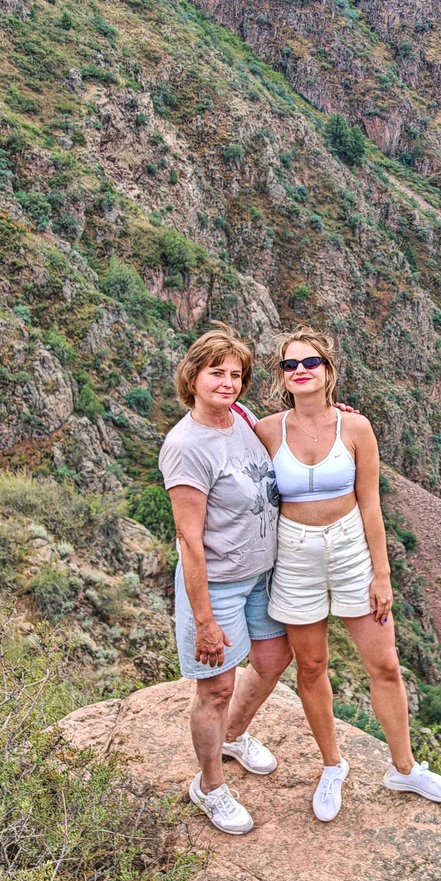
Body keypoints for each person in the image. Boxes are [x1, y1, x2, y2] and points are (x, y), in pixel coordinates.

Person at [254, 327, 441, 821]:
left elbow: (372, 505)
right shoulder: (264, 430)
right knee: (312, 667)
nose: (300, 370)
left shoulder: (357, 429)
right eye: (289, 365)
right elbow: (219, 423)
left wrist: (382, 575)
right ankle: (331, 765)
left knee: (384, 664)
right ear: (282, 377)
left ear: (328, 370)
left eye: (310, 362)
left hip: (351, 552)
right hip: (294, 556)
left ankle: (403, 767)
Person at [159, 325, 291, 835]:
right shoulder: (186, 447)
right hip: (217, 583)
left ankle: (234, 735)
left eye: (237, 374)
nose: (229, 383)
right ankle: (209, 786)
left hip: (260, 574)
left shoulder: (240, 418)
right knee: (216, 687)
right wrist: (206, 620)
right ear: (193, 376)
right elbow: (190, 542)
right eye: (217, 372)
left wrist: (332, 419)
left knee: (275, 658)